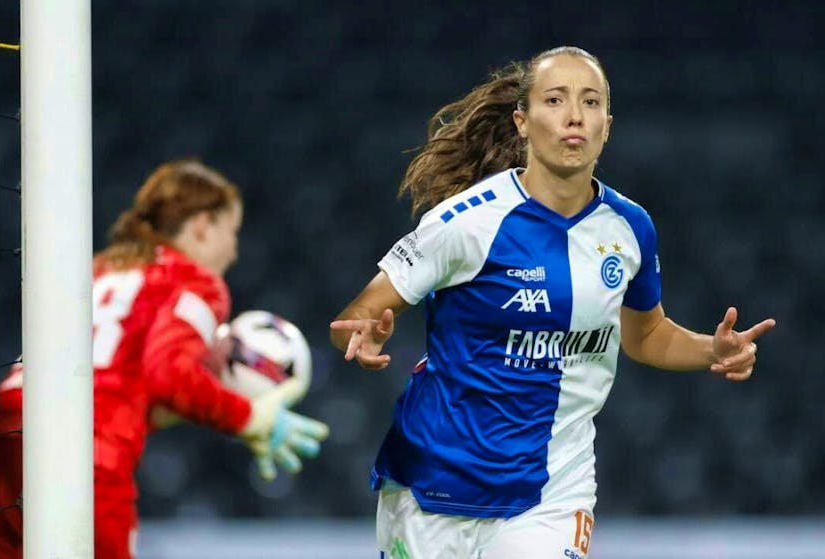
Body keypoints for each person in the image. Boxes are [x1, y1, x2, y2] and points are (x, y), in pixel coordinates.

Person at [329, 46, 776, 559]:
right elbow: (356, 314)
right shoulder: (466, 222)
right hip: (431, 487)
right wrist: (364, 331)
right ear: (522, 120)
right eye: (556, 100)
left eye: (590, 103)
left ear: (607, 124)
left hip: (552, 494)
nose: (574, 117)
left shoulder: (630, 229)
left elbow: (645, 334)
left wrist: (710, 351)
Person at [0, 159, 329, 559]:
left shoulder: (98, 271)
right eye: (231, 232)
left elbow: (118, 378)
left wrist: (202, 397)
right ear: (202, 225)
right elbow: (166, 373)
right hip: (81, 463)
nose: (234, 251)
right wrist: (249, 417)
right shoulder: (196, 282)